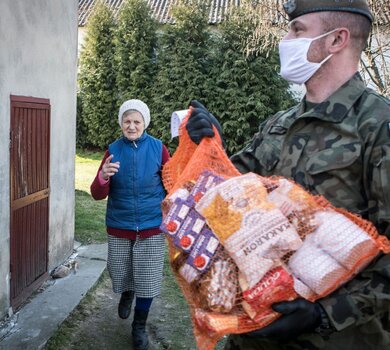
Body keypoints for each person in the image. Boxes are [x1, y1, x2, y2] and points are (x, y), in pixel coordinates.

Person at [186, 1, 390, 349]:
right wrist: (211, 146)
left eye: (297, 30)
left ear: (336, 40)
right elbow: (232, 193)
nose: (286, 39)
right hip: (253, 334)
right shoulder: (280, 122)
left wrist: (324, 315)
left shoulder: (378, 125)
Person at [90, 99, 170, 350]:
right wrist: (103, 177)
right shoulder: (113, 150)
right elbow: (96, 193)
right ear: (121, 123)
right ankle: (127, 293)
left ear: (145, 123)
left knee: (147, 279)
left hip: (151, 226)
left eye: (137, 121)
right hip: (120, 225)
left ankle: (139, 326)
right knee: (121, 272)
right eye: (127, 121)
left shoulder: (159, 149)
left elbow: (172, 186)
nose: (132, 126)